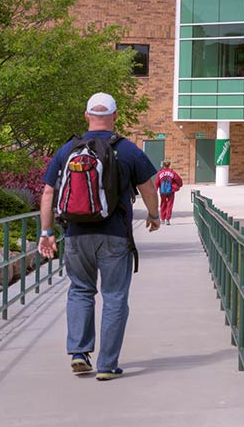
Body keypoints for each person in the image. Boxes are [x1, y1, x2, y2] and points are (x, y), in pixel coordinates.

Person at [38, 92, 161, 381]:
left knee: (81, 290)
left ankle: (80, 353)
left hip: (76, 235)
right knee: (115, 296)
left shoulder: (68, 149)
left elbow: (47, 192)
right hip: (115, 235)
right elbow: (148, 187)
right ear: (115, 117)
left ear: (86, 116)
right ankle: (107, 365)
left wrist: (46, 232)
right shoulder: (128, 150)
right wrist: (154, 216)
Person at [155, 160, 183, 225]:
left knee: (163, 204)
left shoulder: (160, 173)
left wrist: (155, 190)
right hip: (171, 191)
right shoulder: (172, 172)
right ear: (169, 165)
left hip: (162, 191)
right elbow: (179, 180)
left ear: (163, 165)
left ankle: (162, 219)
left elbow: (156, 182)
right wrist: (179, 185)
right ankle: (167, 219)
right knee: (169, 204)